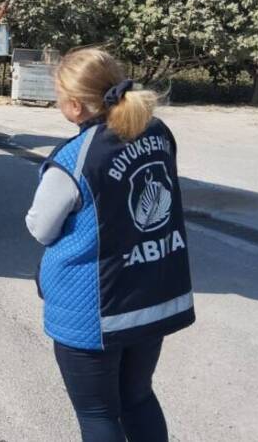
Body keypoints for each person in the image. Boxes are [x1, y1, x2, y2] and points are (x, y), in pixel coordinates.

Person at [25, 47, 194, 441]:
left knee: (98, 413)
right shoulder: (156, 131)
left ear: (75, 107)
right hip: (151, 293)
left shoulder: (75, 158)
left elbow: (41, 228)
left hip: (93, 309)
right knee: (137, 398)